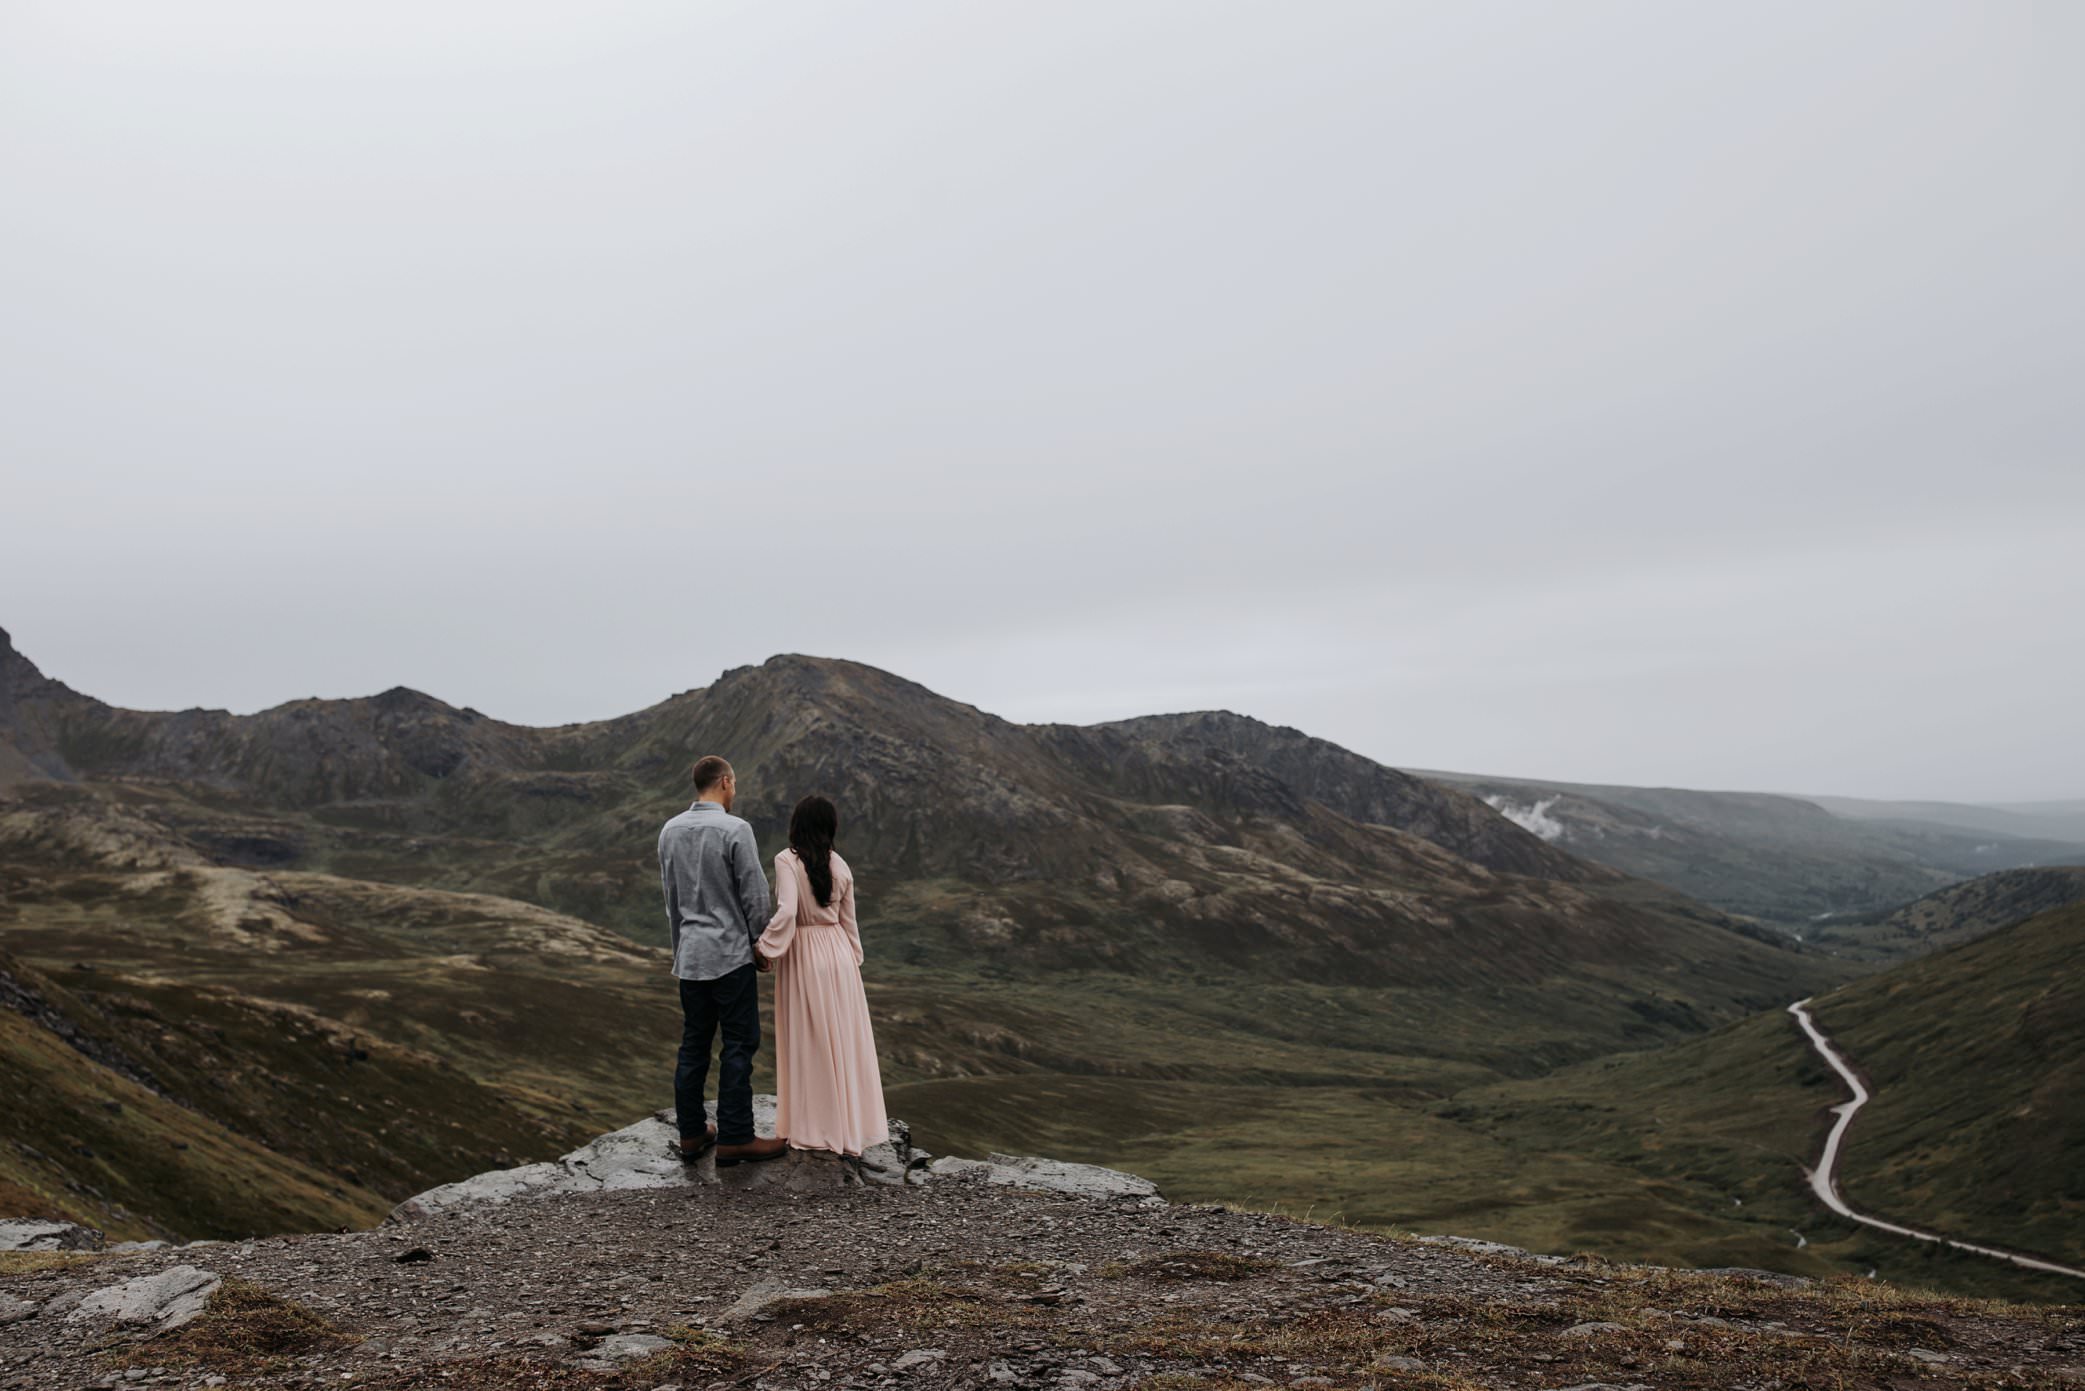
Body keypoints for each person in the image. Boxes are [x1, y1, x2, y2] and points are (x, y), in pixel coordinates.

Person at [657, 755, 787, 1166]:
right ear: (726, 782)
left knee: (693, 1045)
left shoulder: (670, 830)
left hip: (692, 956)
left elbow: (671, 900)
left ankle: (693, 1134)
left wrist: (681, 949)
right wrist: (761, 945)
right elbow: (754, 893)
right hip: (731, 956)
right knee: (738, 1045)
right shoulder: (736, 829)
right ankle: (735, 1137)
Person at [755, 794, 889, 1157]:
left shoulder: (786, 860)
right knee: (841, 1041)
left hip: (804, 953)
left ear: (797, 825)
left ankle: (813, 1125)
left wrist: (765, 949)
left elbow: (786, 913)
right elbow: (850, 922)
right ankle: (847, 1124)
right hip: (839, 956)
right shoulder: (841, 865)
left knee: (809, 1040)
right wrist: (852, 961)